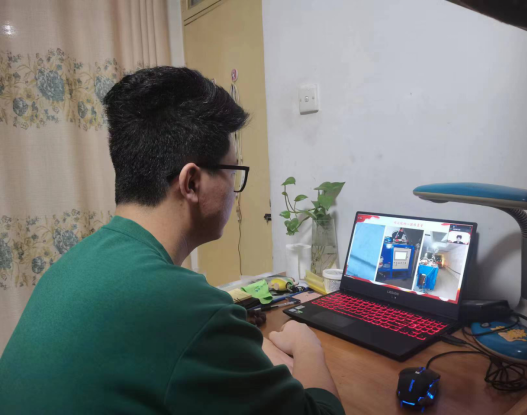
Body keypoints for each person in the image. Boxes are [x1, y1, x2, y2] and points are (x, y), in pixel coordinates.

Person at [0, 67, 343, 414]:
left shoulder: (74, 264)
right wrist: (307, 345)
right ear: (191, 183)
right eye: (233, 171)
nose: (235, 192)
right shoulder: (187, 310)